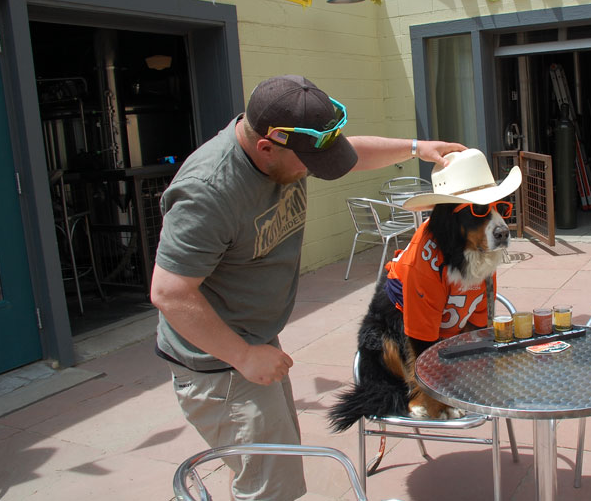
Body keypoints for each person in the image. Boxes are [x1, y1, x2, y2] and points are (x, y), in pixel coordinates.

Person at [150, 74, 465, 500]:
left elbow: (350, 155)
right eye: (308, 165)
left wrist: (417, 149)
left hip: (253, 339)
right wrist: (242, 356)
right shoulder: (208, 192)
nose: (314, 173)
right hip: (217, 362)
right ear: (266, 147)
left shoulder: (284, 149)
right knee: (272, 489)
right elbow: (169, 292)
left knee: (263, 468)